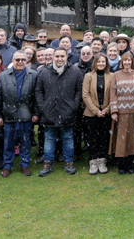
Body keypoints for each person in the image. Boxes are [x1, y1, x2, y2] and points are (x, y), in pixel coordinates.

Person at [36, 48, 83, 177]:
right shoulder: (45, 72)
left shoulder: (75, 72)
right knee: (49, 138)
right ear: (53, 57)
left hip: (68, 112)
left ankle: (69, 163)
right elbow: (38, 91)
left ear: (67, 57)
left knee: (68, 138)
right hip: (49, 112)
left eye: (62, 56)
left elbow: (79, 90)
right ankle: (48, 163)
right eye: (57, 56)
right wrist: (43, 107)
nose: (59, 59)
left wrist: (73, 106)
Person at [0, 50, 39, 178]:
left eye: (22, 60)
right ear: (12, 61)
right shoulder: (3, 76)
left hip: (26, 114)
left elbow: (36, 97)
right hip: (9, 115)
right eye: (17, 60)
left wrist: (36, 113)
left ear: (26, 61)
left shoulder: (33, 75)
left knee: (26, 142)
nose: (20, 62)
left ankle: (25, 164)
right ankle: (7, 166)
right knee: (8, 143)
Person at [108, 52, 134, 174]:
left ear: (132, 62)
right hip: (121, 113)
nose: (127, 62)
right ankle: (121, 165)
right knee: (121, 140)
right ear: (122, 62)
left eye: (129, 60)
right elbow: (113, 94)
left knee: (133, 139)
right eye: (125, 60)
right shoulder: (116, 75)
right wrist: (114, 111)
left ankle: (132, 164)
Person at [82, 53, 113, 175]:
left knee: (104, 137)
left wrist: (106, 110)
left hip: (107, 113)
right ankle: (93, 161)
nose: (101, 64)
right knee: (92, 138)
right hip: (91, 113)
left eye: (103, 62)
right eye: (99, 62)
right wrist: (96, 111)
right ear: (95, 63)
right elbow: (85, 95)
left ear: (106, 64)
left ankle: (102, 160)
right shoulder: (88, 76)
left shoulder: (112, 76)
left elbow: (114, 95)